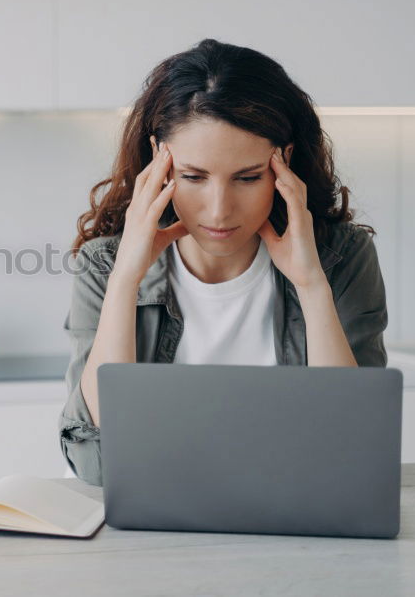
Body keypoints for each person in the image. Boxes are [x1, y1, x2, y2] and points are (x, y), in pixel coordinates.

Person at [59, 38, 389, 487]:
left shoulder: (341, 258)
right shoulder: (106, 264)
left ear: (284, 162)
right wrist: (125, 280)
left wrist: (312, 286)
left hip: (298, 529)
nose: (218, 211)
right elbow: (98, 463)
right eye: (193, 177)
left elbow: (354, 452)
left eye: (248, 178)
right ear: (160, 160)